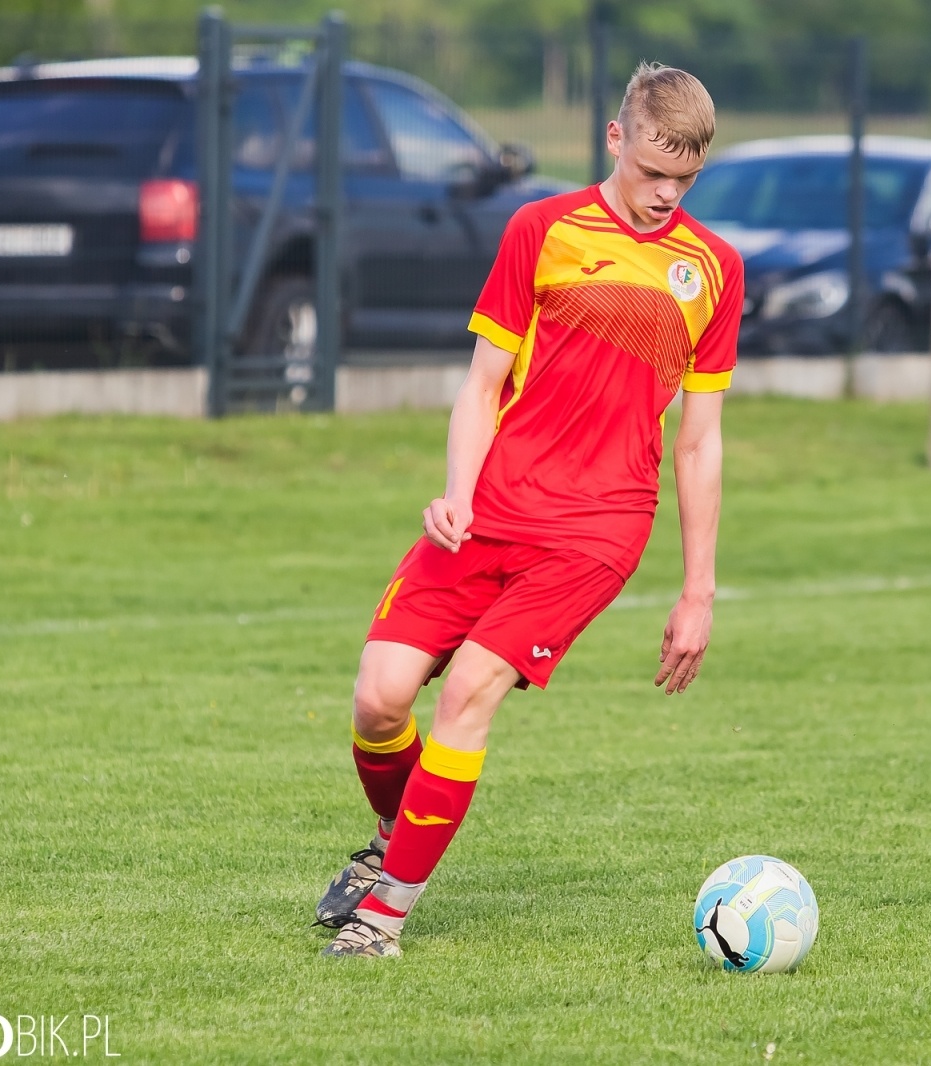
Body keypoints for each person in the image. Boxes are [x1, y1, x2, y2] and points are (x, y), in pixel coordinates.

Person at [318, 62, 744, 958]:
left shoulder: (712, 270)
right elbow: (482, 385)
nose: (666, 195)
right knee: (378, 702)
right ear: (616, 140)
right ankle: (396, 844)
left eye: (685, 180)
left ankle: (382, 917)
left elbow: (700, 444)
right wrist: (458, 493)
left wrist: (697, 591)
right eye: (652, 172)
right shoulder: (540, 229)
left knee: (470, 690)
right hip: (492, 508)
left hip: (596, 530)